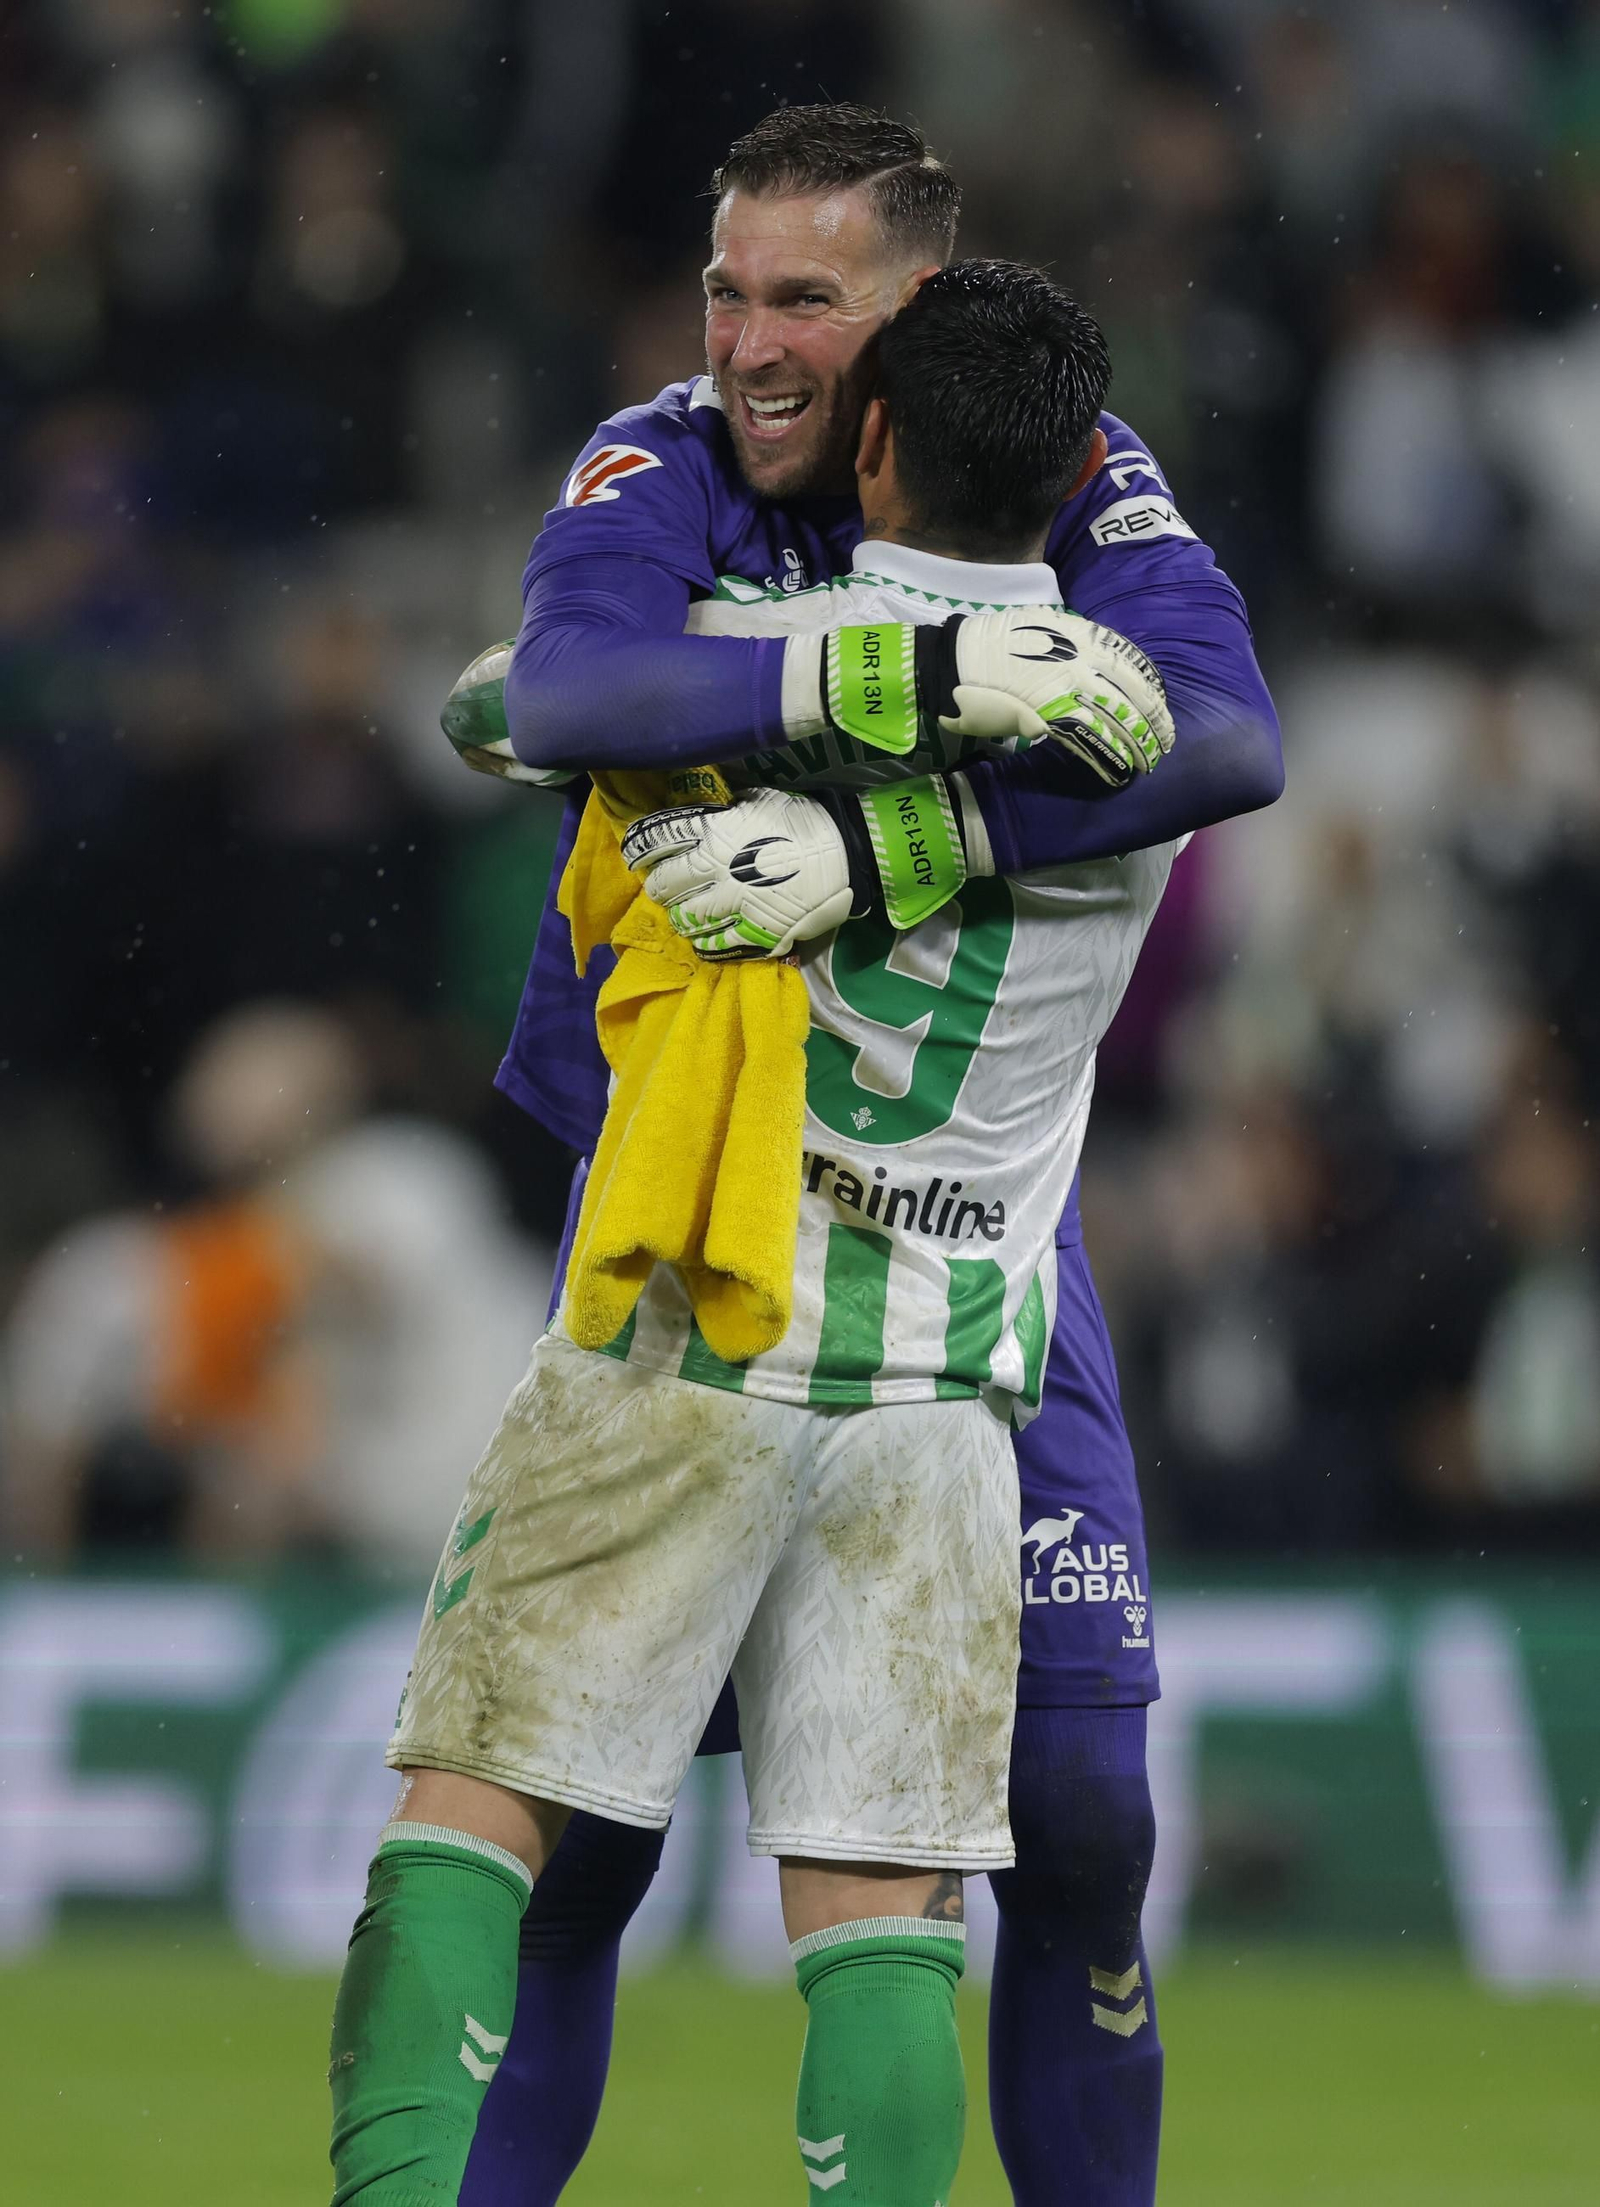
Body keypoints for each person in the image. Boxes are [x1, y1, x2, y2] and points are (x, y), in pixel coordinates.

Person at [456, 105, 1281, 2207]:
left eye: (799, 299)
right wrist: (901, 668)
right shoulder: (656, 458)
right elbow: (557, 685)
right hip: (687, 1190)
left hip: (973, 1235)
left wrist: (873, 837)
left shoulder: (1070, 468)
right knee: (583, 1840)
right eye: (725, 288)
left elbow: (1223, 735)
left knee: (1084, 1822)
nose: (745, 341)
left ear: (909, 320)